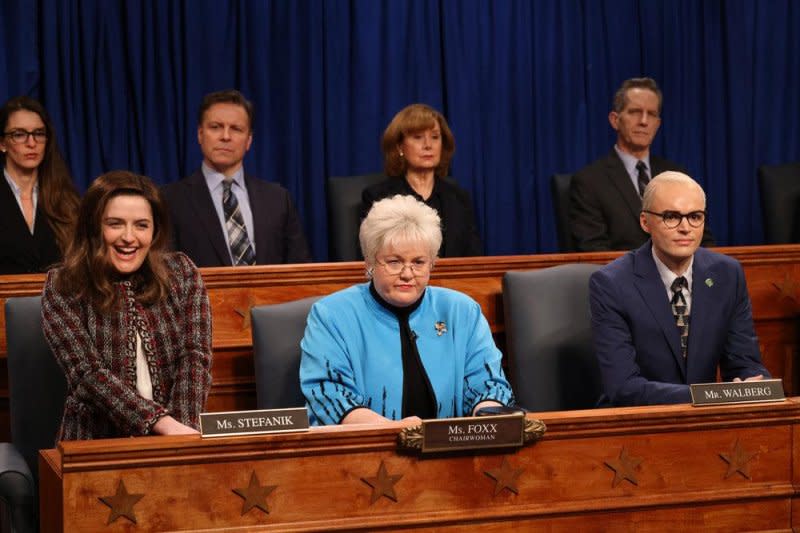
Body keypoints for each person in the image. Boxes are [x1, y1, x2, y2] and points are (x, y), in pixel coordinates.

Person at [301, 194, 513, 425]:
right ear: (370, 262)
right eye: (394, 262)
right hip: (365, 452)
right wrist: (393, 432)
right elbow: (329, 395)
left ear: (432, 263)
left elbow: (489, 385)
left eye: (419, 262)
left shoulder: (462, 312)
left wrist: (486, 419)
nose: (407, 273)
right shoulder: (331, 315)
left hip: (450, 453)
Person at [41, 171, 212, 440]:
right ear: (94, 226)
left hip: (180, 437)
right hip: (94, 443)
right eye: (115, 224)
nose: (129, 237)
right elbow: (88, 375)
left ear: (155, 231)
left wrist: (180, 436)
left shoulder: (183, 274)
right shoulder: (63, 285)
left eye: (141, 225)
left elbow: (194, 358)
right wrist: (161, 423)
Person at [590, 172, 768, 407]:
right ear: (645, 222)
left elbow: (744, 362)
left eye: (695, 216)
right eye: (671, 217)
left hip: (706, 421)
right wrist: (710, 396)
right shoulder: (611, 283)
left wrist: (753, 385)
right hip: (637, 422)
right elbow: (623, 387)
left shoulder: (727, 274)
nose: (685, 228)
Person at [163, 89, 311, 266]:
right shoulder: (170, 199)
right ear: (200, 134)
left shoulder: (278, 199)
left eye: (236, 129)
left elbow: (301, 270)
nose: (225, 136)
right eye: (215, 127)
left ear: (248, 140)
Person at [569, 77, 713, 251]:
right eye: (635, 112)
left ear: (657, 124)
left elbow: (703, 240)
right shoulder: (589, 182)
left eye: (651, 114)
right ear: (615, 120)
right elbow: (594, 251)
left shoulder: (678, 175)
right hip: (623, 276)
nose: (644, 121)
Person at [360, 103, 483, 258]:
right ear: (399, 146)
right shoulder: (378, 197)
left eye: (435, 137)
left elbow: (475, 259)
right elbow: (373, 258)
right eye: (418, 137)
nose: (428, 145)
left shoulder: (459, 198)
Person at [0, 96, 79, 274]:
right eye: (19, 134)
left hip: (55, 299)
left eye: (39, 133)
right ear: (2, 143)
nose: (31, 143)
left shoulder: (67, 199)